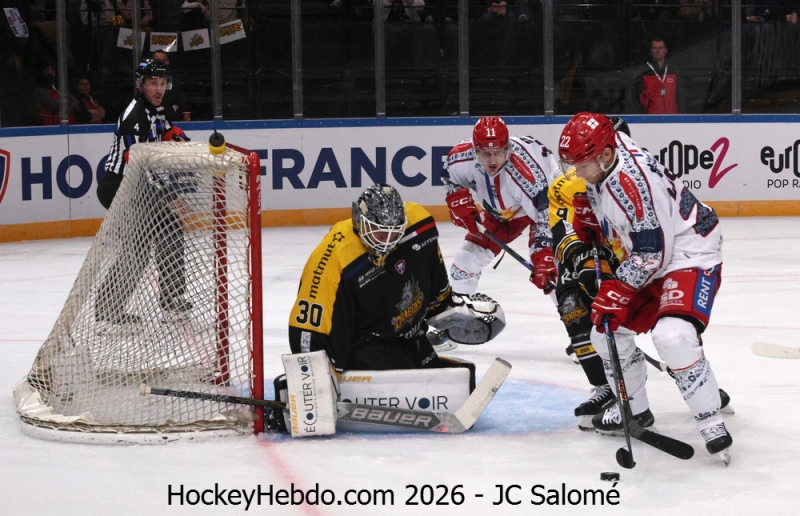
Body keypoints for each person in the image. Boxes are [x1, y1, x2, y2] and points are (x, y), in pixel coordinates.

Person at [557, 112, 732, 458]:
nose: (576, 173)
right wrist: (593, 212)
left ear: (605, 155)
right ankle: (635, 411)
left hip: (689, 251)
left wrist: (616, 289)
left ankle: (710, 420)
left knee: (672, 336)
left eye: (582, 165)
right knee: (604, 334)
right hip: (654, 252)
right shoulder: (608, 154)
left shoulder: (631, 184)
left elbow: (654, 254)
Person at [289, 184, 466, 371]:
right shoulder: (335, 256)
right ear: (359, 220)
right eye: (380, 233)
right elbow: (309, 330)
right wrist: (315, 379)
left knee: (442, 387)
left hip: (410, 338)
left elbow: (435, 285)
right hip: (364, 345)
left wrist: (452, 311)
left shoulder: (419, 222)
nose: (387, 241)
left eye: (394, 233)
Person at [547, 117, 630, 430]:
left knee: (666, 321)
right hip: (593, 257)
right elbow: (562, 225)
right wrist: (583, 259)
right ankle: (606, 386)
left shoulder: (639, 178)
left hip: (637, 261)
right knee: (569, 299)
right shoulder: (570, 182)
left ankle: (691, 378)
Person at [95, 58, 190, 325]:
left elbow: (167, 130)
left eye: (162, 83)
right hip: (120, 187)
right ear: (141, 85)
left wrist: (185, 143)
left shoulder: (155, 109)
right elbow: (138, 164)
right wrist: (171, 197)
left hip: (139, 186)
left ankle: (172, 299)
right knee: (138, 248)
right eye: (153, 84)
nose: (159, 89)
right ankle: (107, 312)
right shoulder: (135, 116)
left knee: (171, 229)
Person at [441, 116, 558, 299]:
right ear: (474, 151)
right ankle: (460, 322)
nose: (492, 160)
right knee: (465, 263)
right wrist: (457, 202)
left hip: (548, 203)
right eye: (486, 154)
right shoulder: (459, 158)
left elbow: (546, 216)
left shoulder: (525, 173)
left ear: (507, 149)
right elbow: (449, 178)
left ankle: (577, 319)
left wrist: (544, 254)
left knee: (551, 270)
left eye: (498, 152)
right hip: (500, 211)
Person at [635, 37, 683, 114]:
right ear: (651, 51)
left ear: (665, 51)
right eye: (655, 48)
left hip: (673, 118)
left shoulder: (673, 70)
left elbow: (680, 96)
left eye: (660, 48)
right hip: (652, 119)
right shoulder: (643, 71)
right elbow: (636, 97)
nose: (657, 51)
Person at [152, 50, 189, 122]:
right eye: (158, 61)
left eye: (163, 61)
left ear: (167, 62)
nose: (161, 63)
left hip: (172, 122)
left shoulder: (175, 83)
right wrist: (171, 109)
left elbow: (181, 107)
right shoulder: (146, 83)